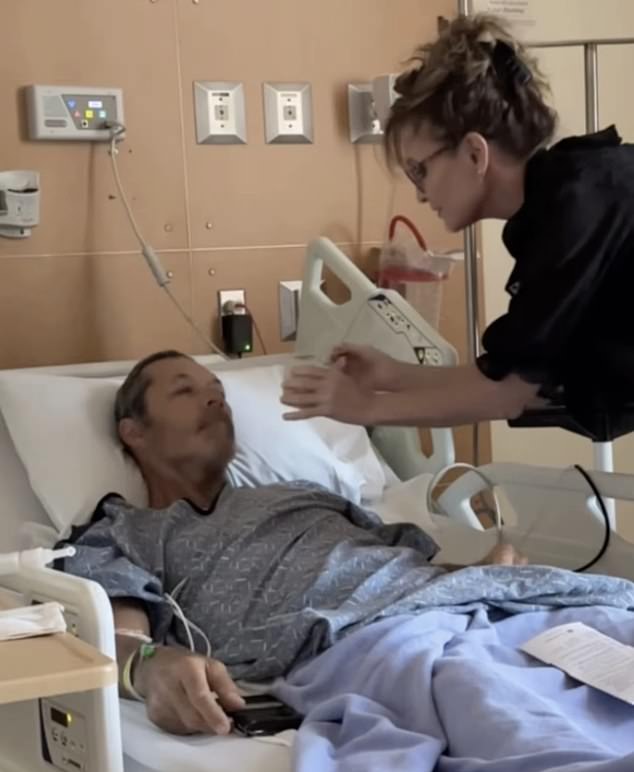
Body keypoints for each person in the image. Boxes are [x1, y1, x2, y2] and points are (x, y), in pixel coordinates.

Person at [58, 350, 524, 737]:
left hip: (482, 613)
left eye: (218, 393)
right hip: (374, 648)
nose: (215, 401)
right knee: (514, 718)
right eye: (186, 391)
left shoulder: (304, 494)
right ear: (134, 432)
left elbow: (405, 570)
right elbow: (120, 637)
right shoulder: (123, 531)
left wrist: (486, 570)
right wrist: (147, 668)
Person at [280, 13, 634, 433]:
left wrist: (366, 408)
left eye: (419, 171)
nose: (419, 193)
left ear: (474, 154)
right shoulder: (564, 203)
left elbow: (507, 394)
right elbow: (513, 373)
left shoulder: (580, 207)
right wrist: (394, 376)